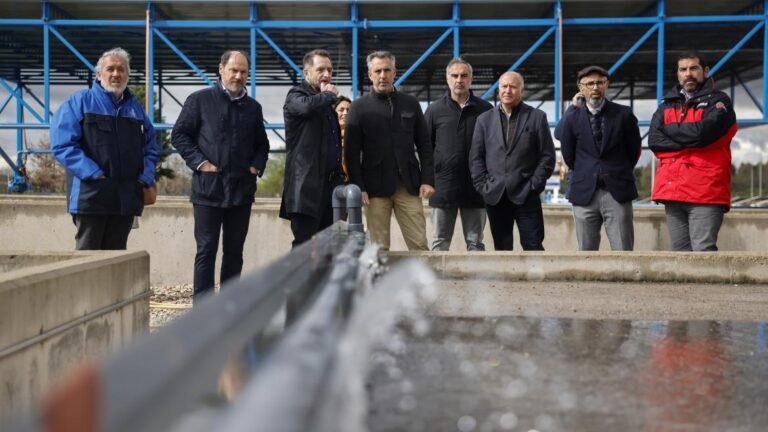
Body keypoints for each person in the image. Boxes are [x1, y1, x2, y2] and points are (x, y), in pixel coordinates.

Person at [172, 50, 270, 301]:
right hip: (208, 190)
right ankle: (203, 309)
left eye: (243, 72)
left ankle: (229, 306)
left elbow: (262, 145)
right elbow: (179, 135)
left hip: (241, 190)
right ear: (221, 69)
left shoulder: (253, 108)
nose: (238, 76)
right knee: (206, 250)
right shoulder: (199, 100)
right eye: (233, 70)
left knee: (235, 252)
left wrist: (255, 167)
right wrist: (201, 163)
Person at [51, 47, 158, 250]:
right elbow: (62, 145)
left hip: (126, 197)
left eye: (121, 69)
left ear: (127, 75)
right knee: (88, 258)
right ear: (99, 75)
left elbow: (150, 149)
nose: (116, 74)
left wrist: (144, 178)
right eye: (110, 69)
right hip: (92, 195)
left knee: (116, 258)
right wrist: (94, 174)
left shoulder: (136, 110)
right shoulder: (80, 102)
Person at [344, 51, 434, 251]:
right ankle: (379, 274)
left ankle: (421, 274)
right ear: (370, 75)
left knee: (419, 244)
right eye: (378, 71)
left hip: (408, 185)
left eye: (387, 70)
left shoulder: (410, 103)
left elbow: (425, 145)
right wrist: (359, 186)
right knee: (378, 248)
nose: (382, 75)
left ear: (395, 73)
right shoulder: (358, 107)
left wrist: (427, 179)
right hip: (374, 188)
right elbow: (351, 153)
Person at [649, 51, 737, 251]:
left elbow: (703, 134)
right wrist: (691, 143)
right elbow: (654, 140)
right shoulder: (666, 105)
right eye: (683, 69)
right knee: (680, 254)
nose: (688, 73)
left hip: (705, 191)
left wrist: (670, 130)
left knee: (703, 252)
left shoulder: (719, 101)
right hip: (672, 191)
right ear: (678, 74)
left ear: (705, 71)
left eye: (693, 68)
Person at [554, 65, 642, 251]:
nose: (595, 87)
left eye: (600, 83)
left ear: (606, 85)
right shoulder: (573, 117)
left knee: (623, 251)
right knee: (586, 252)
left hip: (617, 192)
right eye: (590, 83)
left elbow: (634, 150)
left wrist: (618, 171)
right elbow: (563, 143)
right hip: (584, 192)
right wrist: (572, 108)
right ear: (581, 87)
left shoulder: (623, 114)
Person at [469, 71, 555, 251]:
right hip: (495, 195)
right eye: (504, 86)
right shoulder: (484, 120)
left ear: (521, 90)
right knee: (502, 249)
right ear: (498, 89)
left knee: (533, 246)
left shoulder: (536, 117)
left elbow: (547, 155)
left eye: (513, 87)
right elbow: (476, 157)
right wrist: (482, 186)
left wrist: (534, 184)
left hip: (526, 194)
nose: (508, 90)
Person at [424, 58, 492, 251]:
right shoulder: (434, 110)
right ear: (447, 79)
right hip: (443, 186)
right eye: (454, 76)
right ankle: (438, 274)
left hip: (476, 187)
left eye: (463, 76)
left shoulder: (486, 110)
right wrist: (428, 179)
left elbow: (493, 147)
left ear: (471, 79)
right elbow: (424, 147)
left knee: (475, 243)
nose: (459, 80)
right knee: (440, 242)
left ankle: (477, 273)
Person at [280, 49, 344, 248]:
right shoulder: (296, 95)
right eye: (321, 70)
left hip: (330, 188)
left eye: (330, 70)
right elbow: (305, 107)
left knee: (329, 247)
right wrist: (328, 95)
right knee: (304, 246)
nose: (327, 74)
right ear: (306, 72)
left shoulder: (326, 105)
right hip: (306, 188)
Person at [334, 95, 351, 182]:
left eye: (348, 110)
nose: (345, 113)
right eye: (341, 110)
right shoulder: (327, 137)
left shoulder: (357, 137)